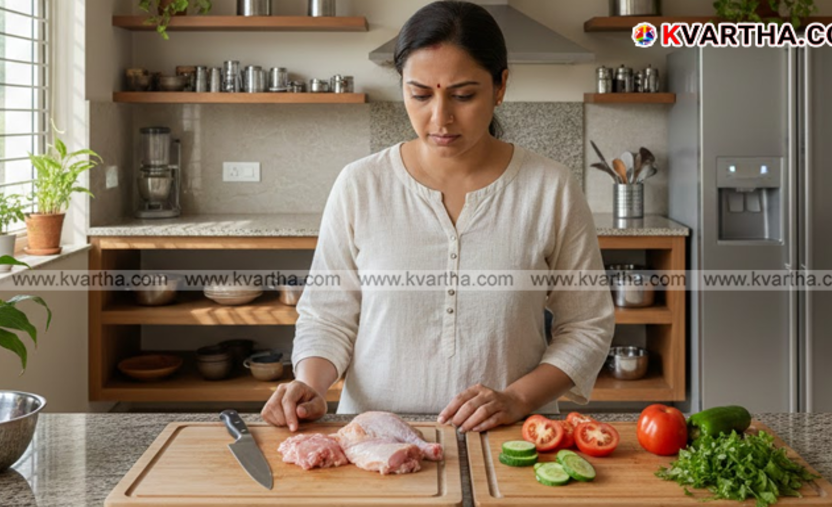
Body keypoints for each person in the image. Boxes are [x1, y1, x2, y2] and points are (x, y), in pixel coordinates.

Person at [261, 0, 614, 433]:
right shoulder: (360, 184)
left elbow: (587, 326)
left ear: (500, 86)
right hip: (373, 435)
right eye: (420, 94)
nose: (440, 117)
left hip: (510, 439)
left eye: (464, 95)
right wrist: (311, 384)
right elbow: (327, 316)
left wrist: (517, 399)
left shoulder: (551, 189)